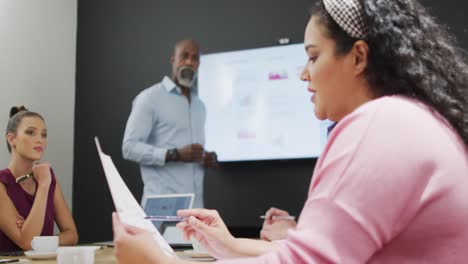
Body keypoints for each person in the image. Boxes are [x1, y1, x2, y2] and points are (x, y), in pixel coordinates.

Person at [112, 0, 468, 262]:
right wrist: (230, 245)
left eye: (313, 57)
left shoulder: (378, 126)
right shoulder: (414, 119)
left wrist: (156, 262)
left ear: (358, 57)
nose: (303, 74)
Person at [122, 39, 217, 208]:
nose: (189, 61)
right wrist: (174, 154)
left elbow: (189, 153)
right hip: (163, 207)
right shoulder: (150, 98)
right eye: (184, 56)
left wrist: (205, 158)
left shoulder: (199, 105)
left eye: (194, 58)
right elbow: (129, 148)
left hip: (196, 209)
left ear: (198, 64)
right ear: (173, 60)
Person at [0, 106, 78, 251]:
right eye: (31, 133)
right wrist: (43, 186)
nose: (39, 140)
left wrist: (38, 240)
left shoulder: (48, 177)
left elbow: (72, 235)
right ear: (11, 139)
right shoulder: (2, 184)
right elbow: (26, 243)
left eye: (43, 135)